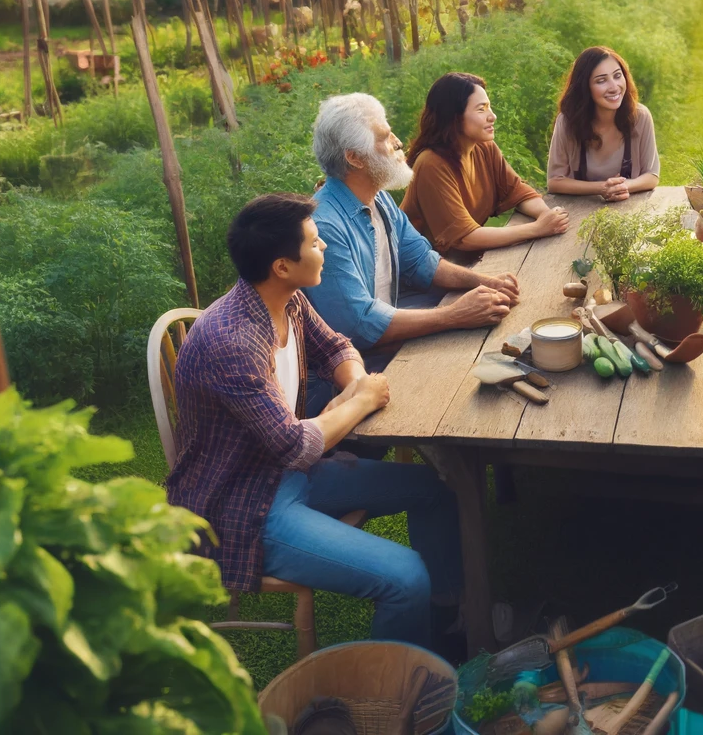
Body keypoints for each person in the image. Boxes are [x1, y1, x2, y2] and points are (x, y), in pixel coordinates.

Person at [165, 193, 463, 650]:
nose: (324, 247)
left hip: (288, 473)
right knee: (405, 578)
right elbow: (294, 445)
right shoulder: (232, 342)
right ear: (282, 265)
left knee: (434, 488)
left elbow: (335, 347)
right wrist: (360, 403)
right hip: (243, 504)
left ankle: (444, 621)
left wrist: (356, 385)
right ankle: (389, 696)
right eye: (316, 242)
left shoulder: (286, 300)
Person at [306, 93, 522, 418]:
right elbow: (360, 325)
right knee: (463, 370)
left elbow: (421, 261)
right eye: (384, 137)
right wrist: (454, 315)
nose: (397, 142)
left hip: (383, 346)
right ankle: (454, 459)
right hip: (343, 382)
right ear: (355, 158)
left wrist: (484, 280)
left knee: (486, 340)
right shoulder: (325, 225)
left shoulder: (379, 199)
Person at [401, 71, 572, 253]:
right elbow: (464, 238)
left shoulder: (483, 147)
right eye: (481, 109)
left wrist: (545, 215)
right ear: (454, 117)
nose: (492, 116)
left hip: (455, 261)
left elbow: (517, 191)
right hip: (415, 268)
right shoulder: (431, 164)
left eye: (489, 107)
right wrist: (537, 229)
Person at [547, 46, 661, 201]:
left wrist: (622, 187)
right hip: (577, 209)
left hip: (631, 207)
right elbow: (554, 182)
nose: (614, 87)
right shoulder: (567, 122)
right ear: (585, 88)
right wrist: (602, 188)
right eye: (601, 81)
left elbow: (651, 176)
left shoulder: (640, 116)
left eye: (617, 76)